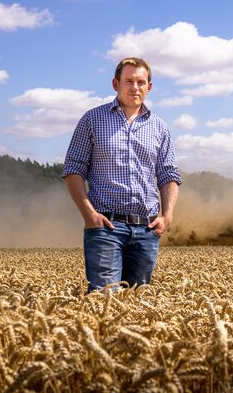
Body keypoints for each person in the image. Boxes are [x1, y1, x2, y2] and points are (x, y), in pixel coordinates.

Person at [62, 57, 181, 292]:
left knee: (138, 304)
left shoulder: (160, 127)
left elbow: (168, 174)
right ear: (115, 84)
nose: (134, 87)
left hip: (147, 231)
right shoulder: (92, 120)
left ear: (149, 87)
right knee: (104, 300)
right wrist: (90, 215)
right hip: (106, 227)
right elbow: (73, 169)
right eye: (128, 81)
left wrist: (167, 216)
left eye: (140, 82)